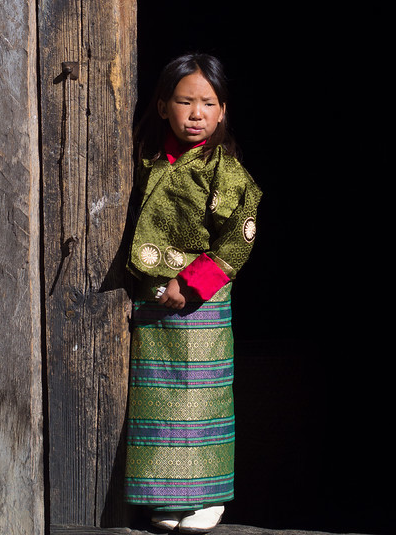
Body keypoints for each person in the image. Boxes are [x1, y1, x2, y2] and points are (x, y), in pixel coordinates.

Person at [124, 53, 262, 533]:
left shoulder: (225, 169)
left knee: (198, 395)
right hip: (151, 296)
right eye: (185, 102)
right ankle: (164, 495)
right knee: (154, 395)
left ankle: (206, 496)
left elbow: (238, 237)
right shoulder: (145, 156)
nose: (196, 114)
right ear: (163, 106)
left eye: (207, 103)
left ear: (223, 111)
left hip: (200, 300)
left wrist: (194, 282)